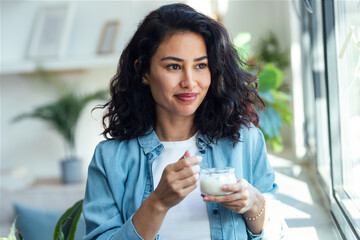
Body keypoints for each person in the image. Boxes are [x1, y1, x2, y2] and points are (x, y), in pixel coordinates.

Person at [83, 3, 286, 240]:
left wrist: (254, 204)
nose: (189, 82)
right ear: (143, 71)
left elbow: (277, 231)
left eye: (200, 65)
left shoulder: (245, 141)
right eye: (174, 66)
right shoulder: (110, 160)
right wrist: (157, 203)